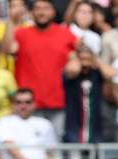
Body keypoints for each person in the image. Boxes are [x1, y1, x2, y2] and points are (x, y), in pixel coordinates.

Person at [12, 0, 79, 141]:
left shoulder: (66, 34)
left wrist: (75, 60)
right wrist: (11, 20)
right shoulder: (21, 33)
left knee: (55, 150)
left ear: (54, 12)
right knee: (29, 147)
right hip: (28, 104)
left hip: (57, 102)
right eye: (38, 8)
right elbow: (8, 50)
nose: (42, 12)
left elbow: (81, 54)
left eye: (46, 8)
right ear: (32, 12)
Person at [0, 87, 56, 159]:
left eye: (28, 102)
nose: (23, 106)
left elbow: (51, 151)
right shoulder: (5, 122)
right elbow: (11, 149)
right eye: (19, 102)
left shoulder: (45, 123)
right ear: (13, 104)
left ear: (34, 104)